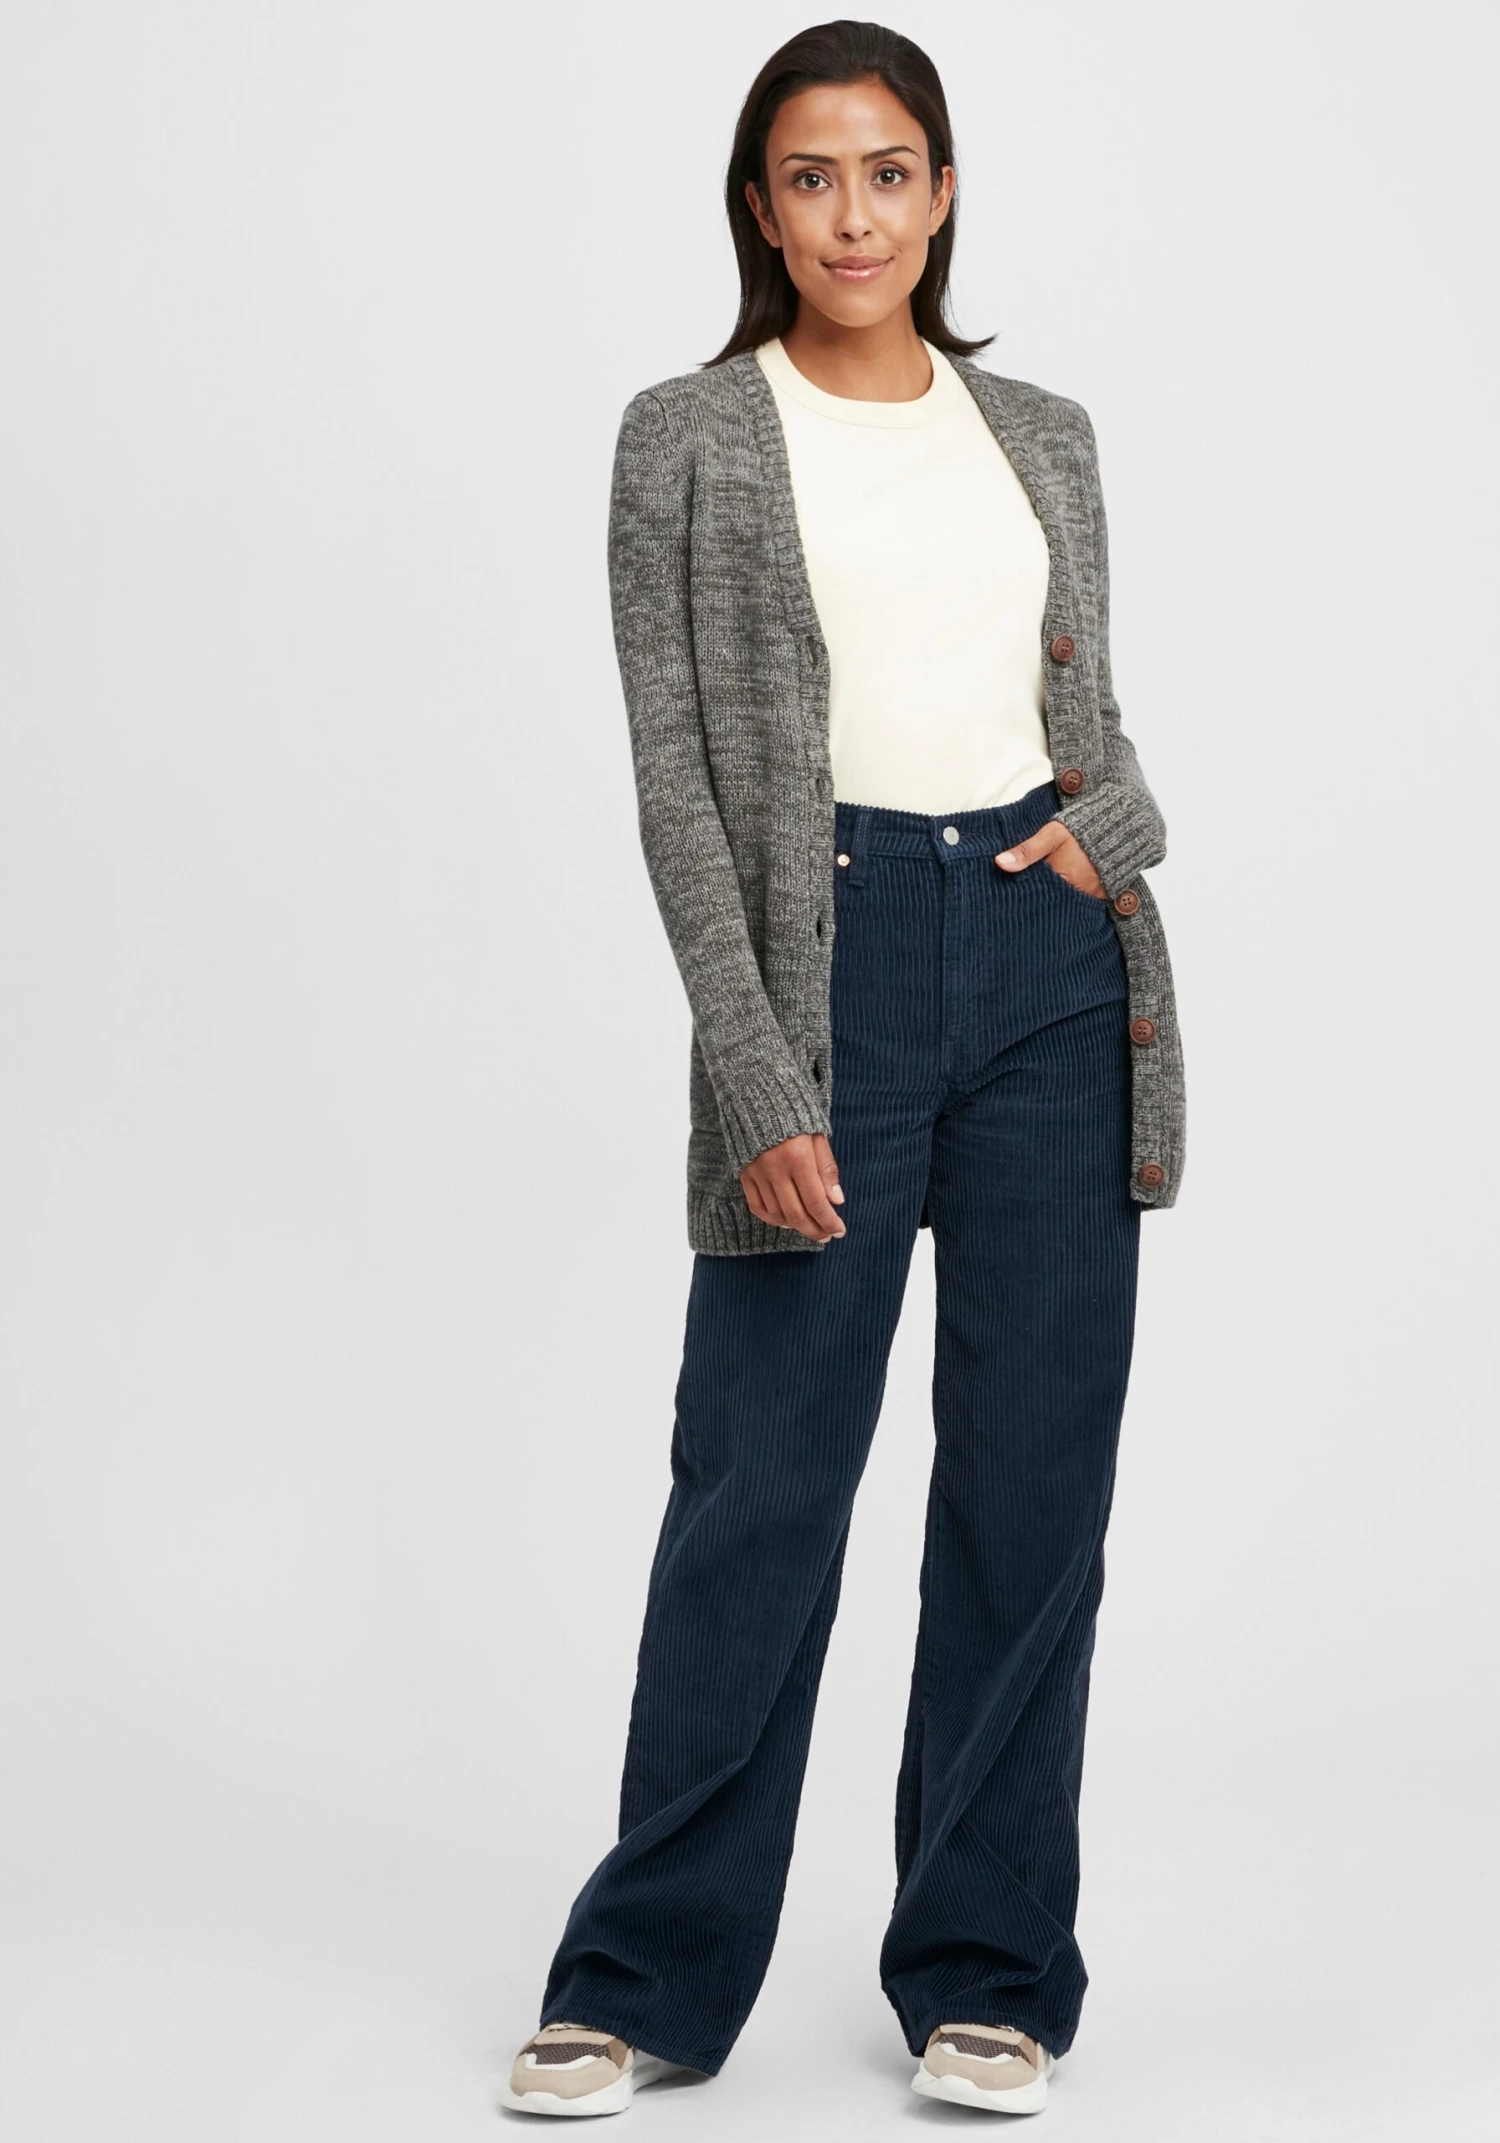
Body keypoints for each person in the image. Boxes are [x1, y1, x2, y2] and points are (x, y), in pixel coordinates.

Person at [504, 19, 1185, 2121]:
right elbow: (679, 784)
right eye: (812, 178)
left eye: (891, 173)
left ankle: (991, 1974)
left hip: (1052, 972)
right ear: (761, 207)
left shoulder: (1043, 432)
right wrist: (759, 1074)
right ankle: (641, 1980)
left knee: (1031, 1495)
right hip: (831, 966)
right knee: (762, 1489)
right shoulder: (690, 434)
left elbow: (1090, 719)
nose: (855, 215)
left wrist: (1117, 831)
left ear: (944, 192)